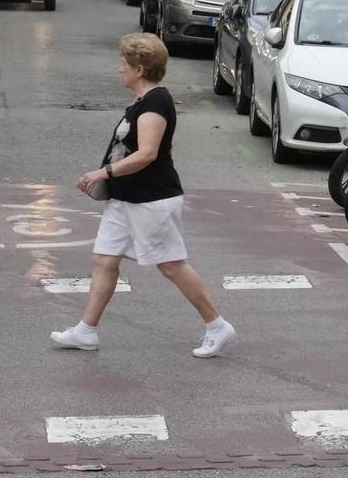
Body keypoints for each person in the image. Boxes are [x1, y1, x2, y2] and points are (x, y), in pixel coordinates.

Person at [51, 32, 234, 358]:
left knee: (171, 266)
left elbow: (147, 153)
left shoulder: (156, 103)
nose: (119, 68)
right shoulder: (142, 101)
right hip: (126, 200)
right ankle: (86, 331)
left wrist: (103, 172)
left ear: (138, 68)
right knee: (104, 260)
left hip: (152, 201)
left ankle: (216, 324)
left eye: (124, 63)